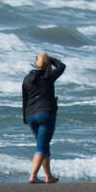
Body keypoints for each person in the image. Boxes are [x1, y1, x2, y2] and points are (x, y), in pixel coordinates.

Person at [22, 51, 66, 183]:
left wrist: (25, 117)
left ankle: (48, 176)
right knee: (41, 147)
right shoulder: (48, 77)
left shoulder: (26, 79)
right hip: (46, 114)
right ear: (46, 64)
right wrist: (49, 60)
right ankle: (33, 176)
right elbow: (62, 66)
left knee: (43, 145)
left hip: (30, 115)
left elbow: (24, 99)